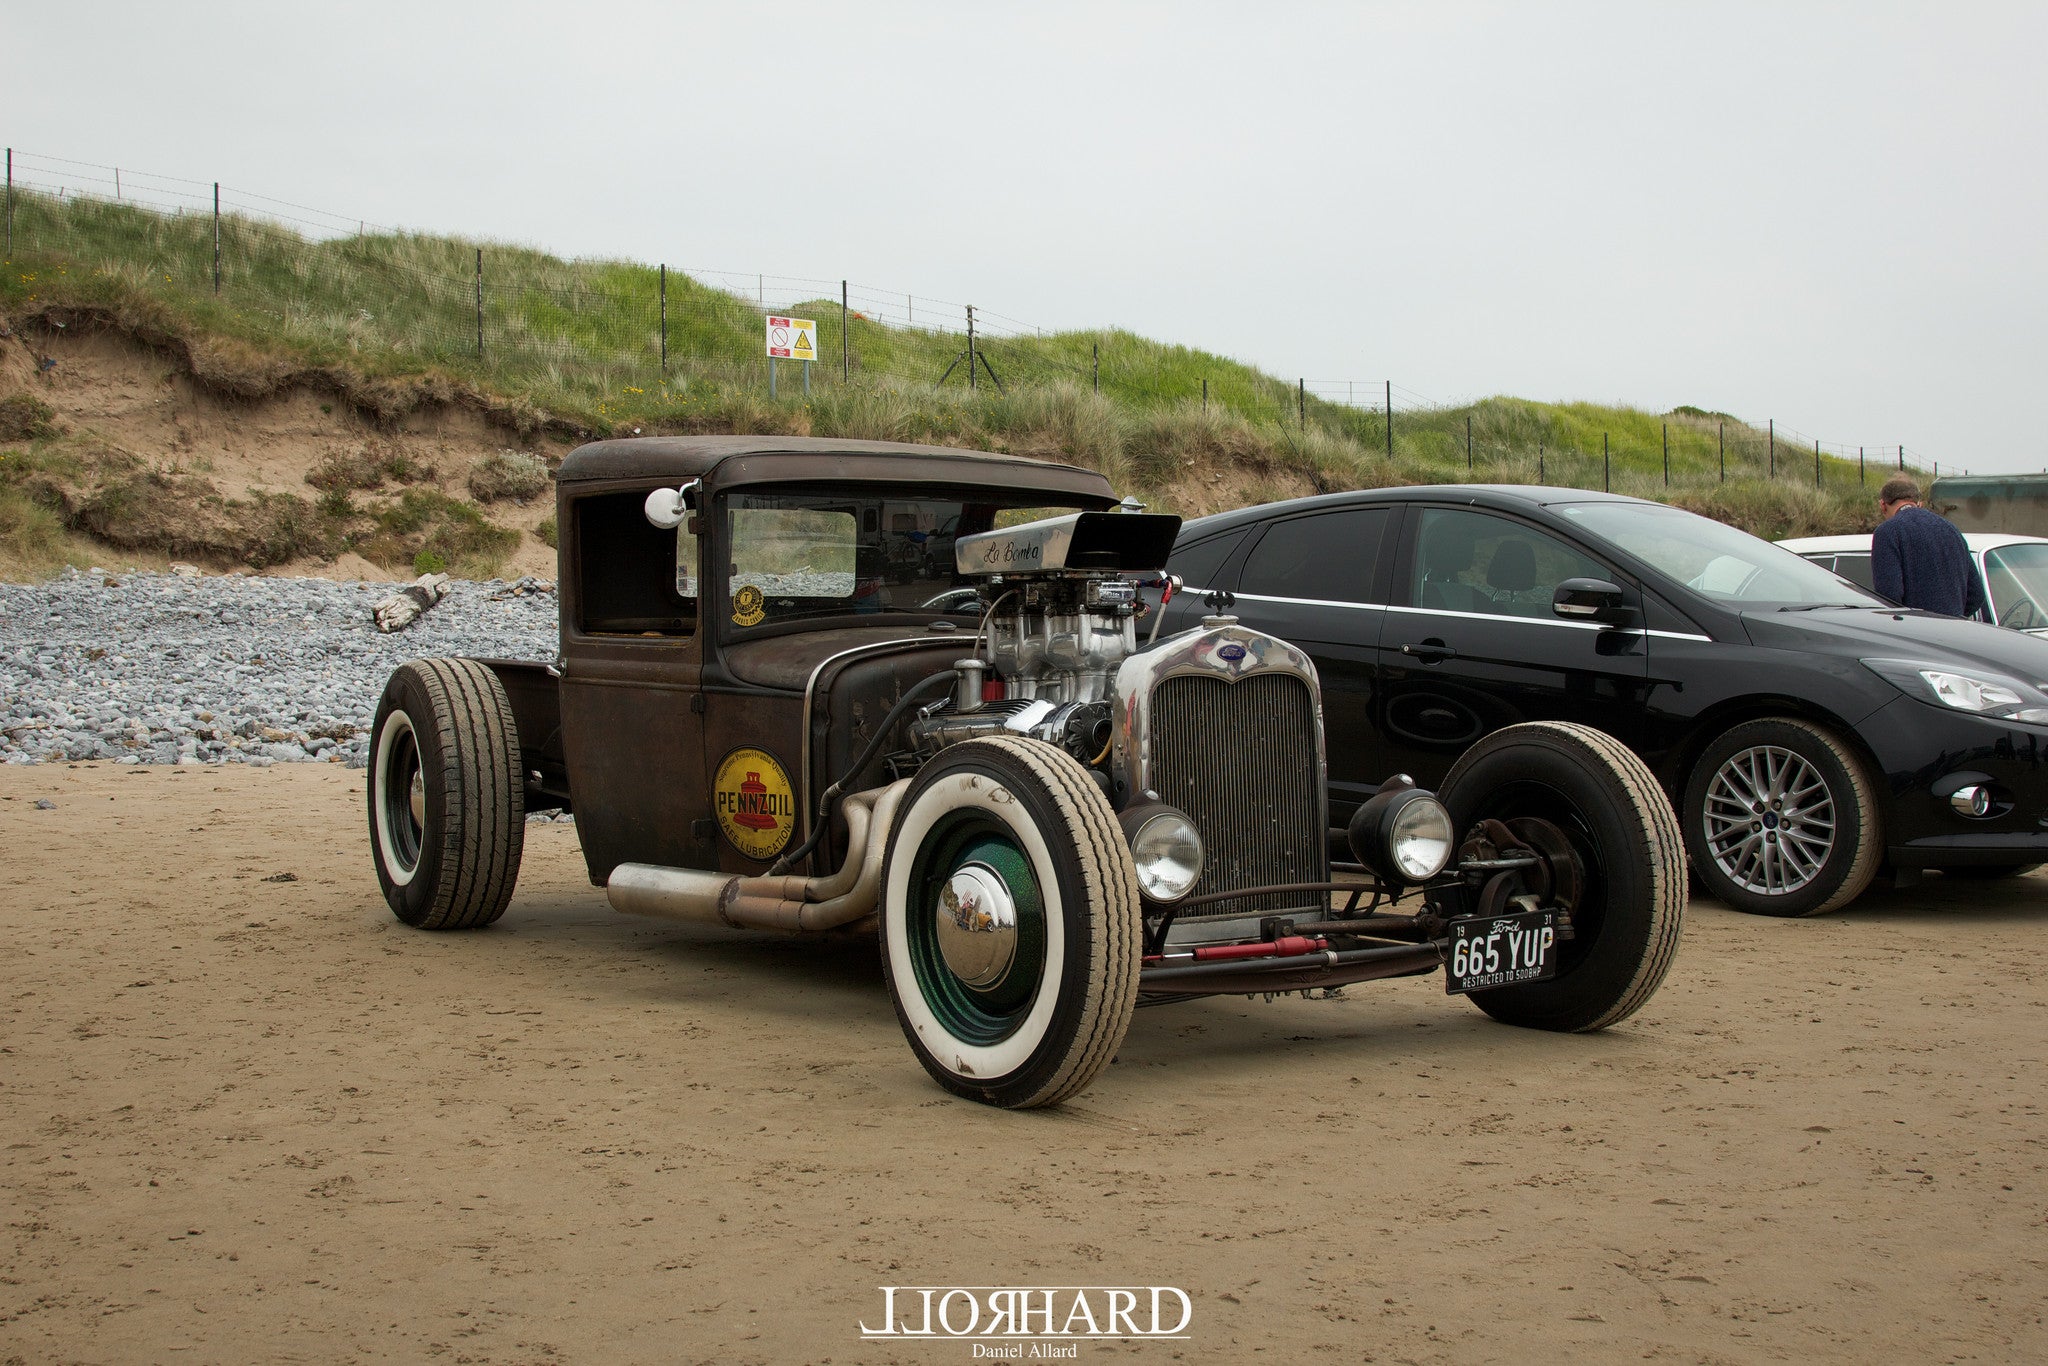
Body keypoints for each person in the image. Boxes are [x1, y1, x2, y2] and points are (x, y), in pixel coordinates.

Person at [1871, 475, 1986, 618]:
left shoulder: (1888, 532)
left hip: (1914, 632)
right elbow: (1976, 595)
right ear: (1919, 503)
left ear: (1883, 505)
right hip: (1955, 632)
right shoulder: (1951, 530)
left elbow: (1889, 596)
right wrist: (1952, 616)